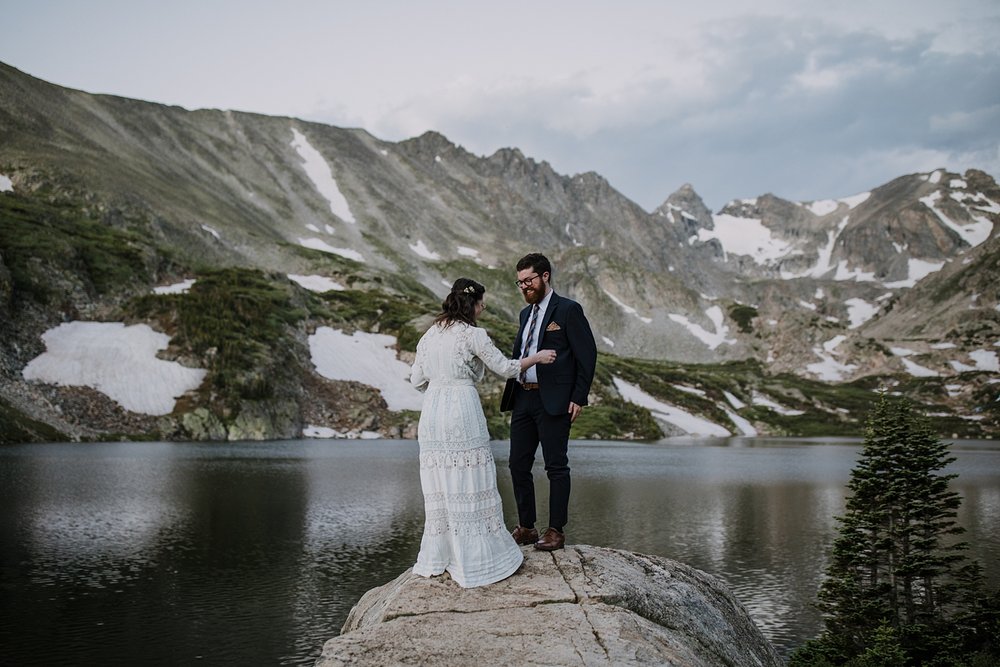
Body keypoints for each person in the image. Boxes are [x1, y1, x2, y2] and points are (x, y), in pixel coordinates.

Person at [409, 277, 556, 588]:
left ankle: (442, 556)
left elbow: (416, 380)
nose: (484, 307)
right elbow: (506, 368)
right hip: (461, 408)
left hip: (433, 412)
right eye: (482, 302)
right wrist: (539, 357)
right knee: (469, 479)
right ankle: (477, 560)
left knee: (441, 481)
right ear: (472, 304)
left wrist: (440, 382)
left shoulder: (429, 336)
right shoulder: (474, 335)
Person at [505, 253, 597, 551]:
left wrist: (578, 397)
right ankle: (528, 527)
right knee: (518, 464)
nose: (524, 287)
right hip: (523, 397)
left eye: (528, 280)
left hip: (555, 400)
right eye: (520, 282)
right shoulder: (524, 314)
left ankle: (556, 530)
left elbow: (587, 355)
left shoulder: (569, 310)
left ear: (545, 276)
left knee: (556, 466)